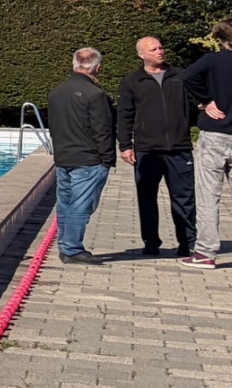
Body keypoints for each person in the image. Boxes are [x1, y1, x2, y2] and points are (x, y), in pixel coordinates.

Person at [118, 36, 198, 258]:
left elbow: (198, 101)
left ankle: (188, 243)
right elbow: (124, 114)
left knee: (184, 197)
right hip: (147, 149)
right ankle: (151, 242)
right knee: (146, 197)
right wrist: (125, 145)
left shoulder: (180, 76)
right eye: (153, 49)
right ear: (141, 55)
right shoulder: (132, 81)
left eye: (161, 47)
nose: (159, 52)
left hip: (179, 148)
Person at [182, 16, 232, 271]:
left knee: (209, 196)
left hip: (215, 135)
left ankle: (205, 252)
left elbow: (188, 77)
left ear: (222, 40)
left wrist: (206, 100)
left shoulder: (213, 59)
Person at [47, 47, 117, 264]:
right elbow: (102, 130)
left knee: (65, 203)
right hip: (88, 159)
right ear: (97, 68)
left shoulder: (56, 93)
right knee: (81, 205)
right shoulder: (96, 95)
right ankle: (72, 248)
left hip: (64, 157)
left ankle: (65, 245)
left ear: (74, 65)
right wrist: (107, 160)